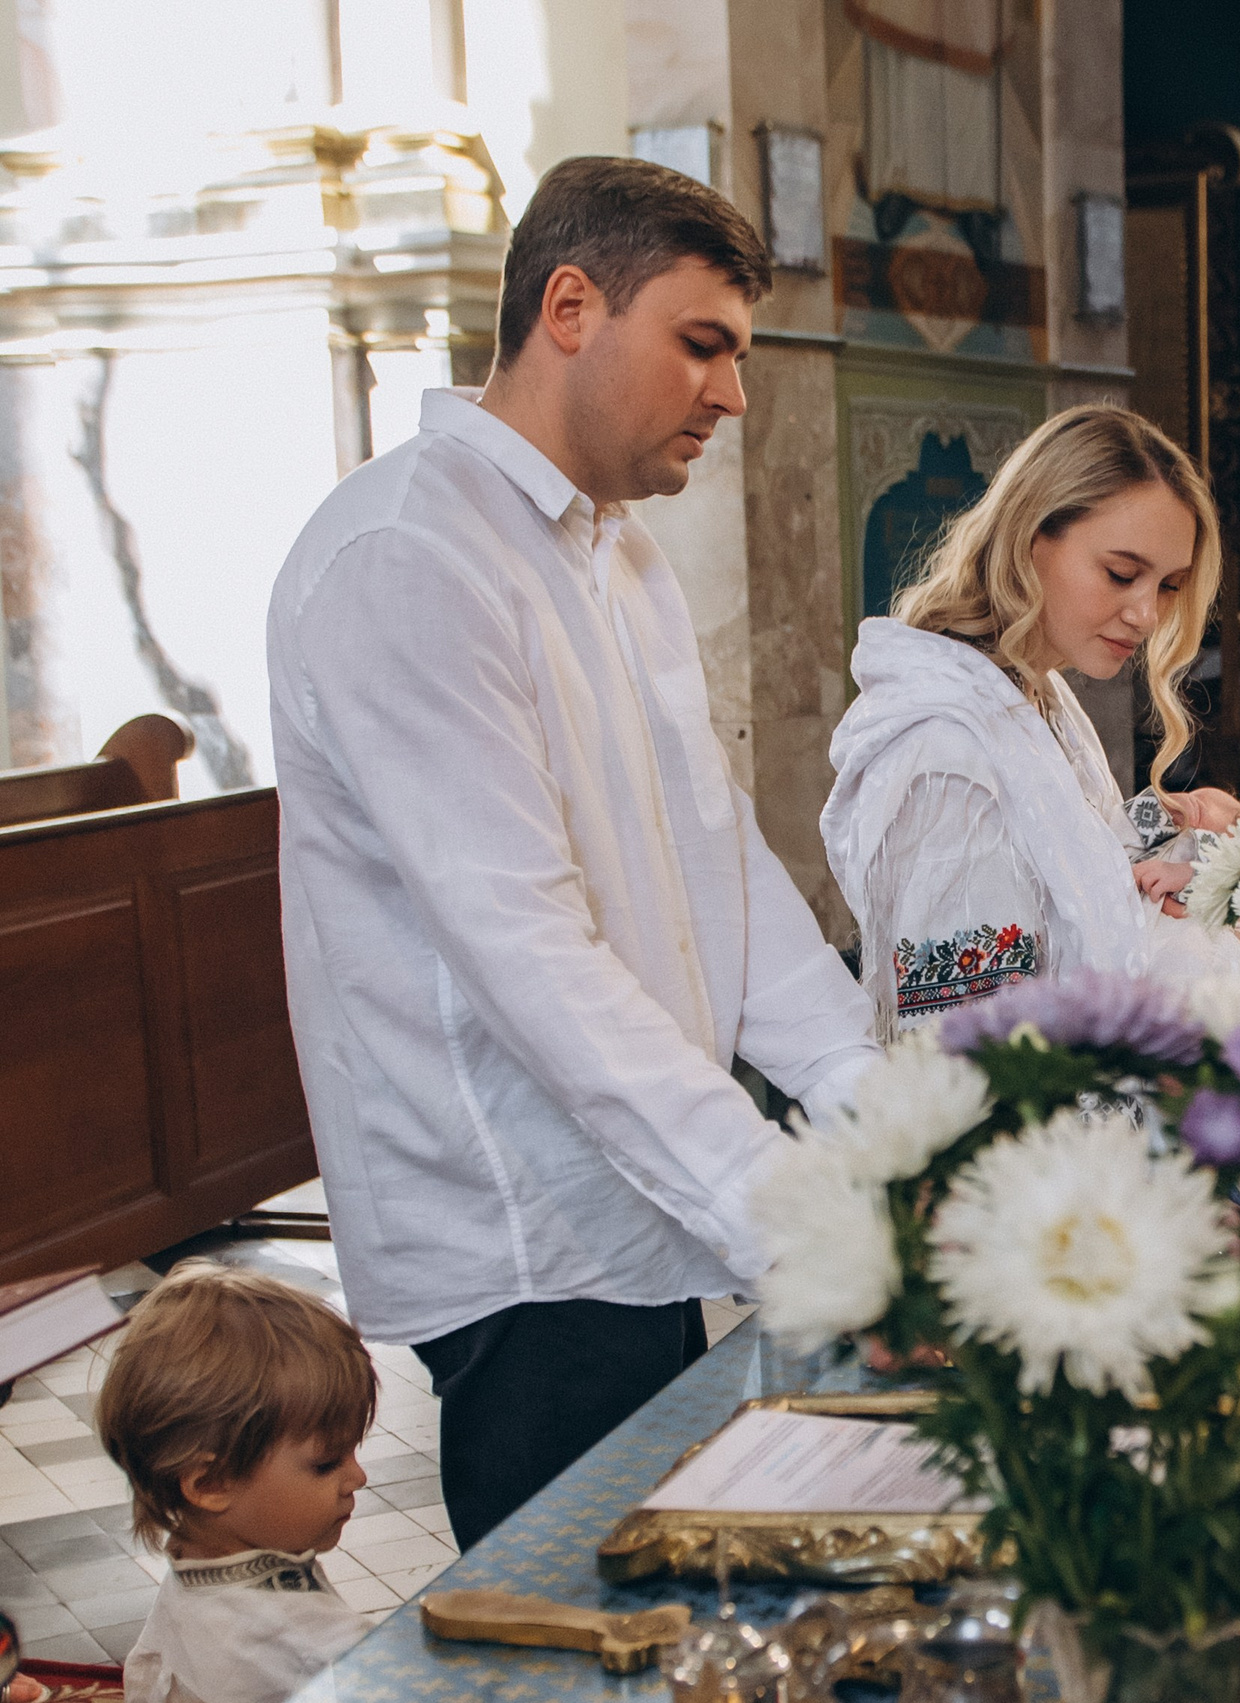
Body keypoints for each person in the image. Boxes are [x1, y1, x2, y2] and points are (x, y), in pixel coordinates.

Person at [267, 157, 881, 1554]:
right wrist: (787, 1209)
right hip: (522, 1230)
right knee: (575, 1629)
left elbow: (726, 873)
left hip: (641, 1188)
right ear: (568, 305)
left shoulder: (624, 561)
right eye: (703, 344)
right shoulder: (407, 558)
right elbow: (526, 953)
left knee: (679, 1581)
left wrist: (880, 1111)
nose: (732, 394)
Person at [821, 405, 1240, 1034]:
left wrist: (1182, 834)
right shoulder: (945, 751)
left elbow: (1074, 878)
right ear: (1032, 538)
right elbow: (972, 1047)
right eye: (1122, 573)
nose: (1147, 615)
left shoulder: (1040, 692)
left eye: (1168, 586)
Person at [97, 1266, 378, 1703]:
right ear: (211, 1484)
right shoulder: (296, 1629)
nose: (357, 1477)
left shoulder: (193, 1571)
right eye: (326, 1464)